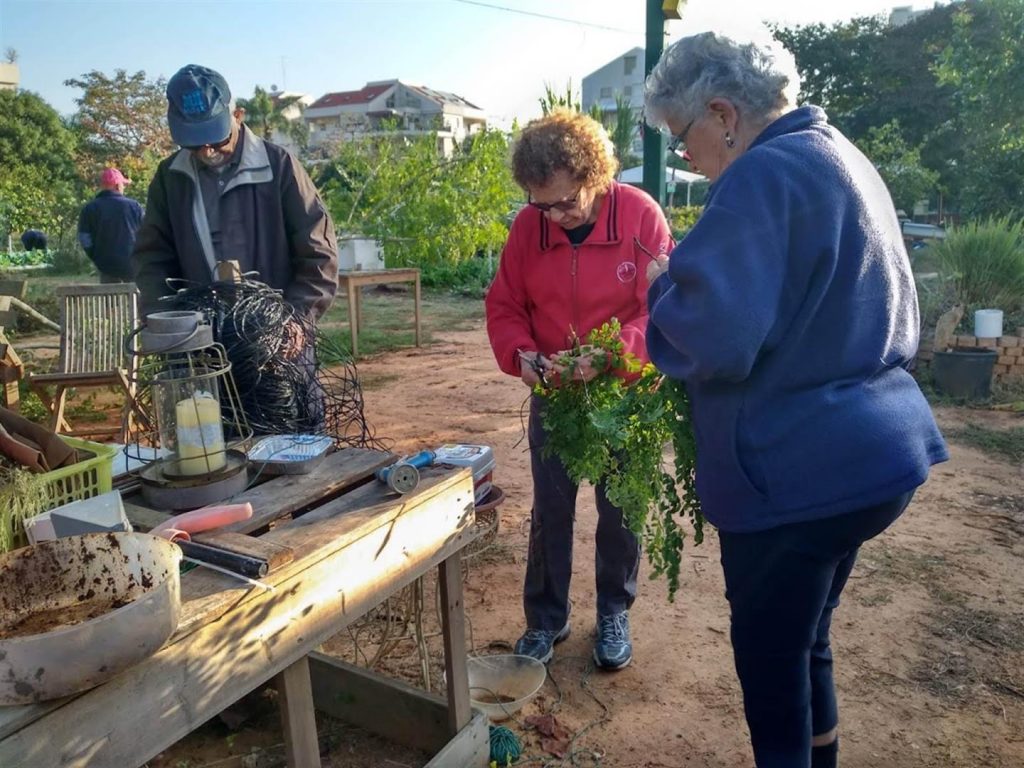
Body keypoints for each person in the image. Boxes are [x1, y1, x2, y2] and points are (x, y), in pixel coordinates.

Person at [642, 31, 948, 768]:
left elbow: (714, 339)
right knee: (809, 640)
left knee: (772, 667)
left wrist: (658, 285)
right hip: (876, 456)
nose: (685, 155)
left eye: (682, 137)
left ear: (723, 115)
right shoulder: (838, 153)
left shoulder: (761, 176)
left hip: (798, 472)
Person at [485, 110, 673, 670]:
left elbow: (662, 311)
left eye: (567, 202)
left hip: (626, 393)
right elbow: (505, 306)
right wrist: (522, 355)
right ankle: (547, 618)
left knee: (621, 506)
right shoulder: (529, 228)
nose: (555, 217)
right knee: (550, 508)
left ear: (597, 177)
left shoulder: (640, 216)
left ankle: (614, 610)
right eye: (542, 204)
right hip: (558, 391)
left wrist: (617, 355)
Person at [132, 64, 338, 353]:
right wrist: (164, 319)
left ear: (237, 116)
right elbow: (153, 259)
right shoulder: (170, 178)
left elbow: (318, 251)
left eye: (217, 138)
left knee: (283, 398)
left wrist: (298, 318)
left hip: (277, 338)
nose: (207, 151)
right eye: (194, 143)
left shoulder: (278, 166)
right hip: (200, 340)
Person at [77, 168, 144, 283]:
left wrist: (95, 256)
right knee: (137, 298)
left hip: (106, 265)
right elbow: (148, 233)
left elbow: (84, 238)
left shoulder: (89, 209)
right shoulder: (135, 207)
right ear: (118, 185)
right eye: (123, 184)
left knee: (110, 298)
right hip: (133, 264)